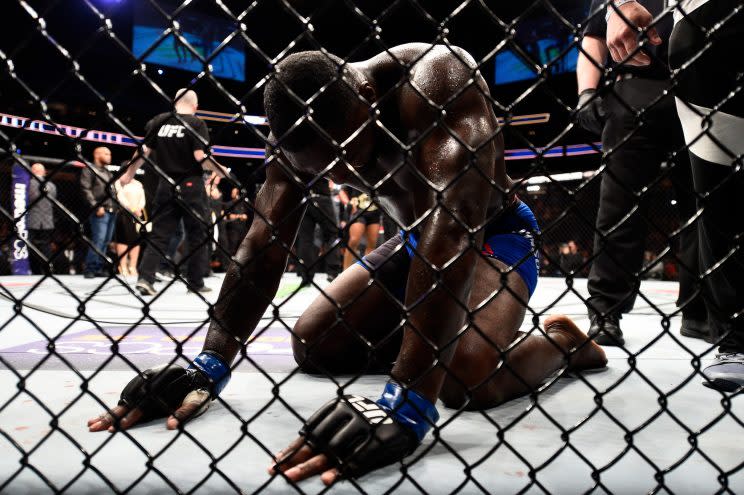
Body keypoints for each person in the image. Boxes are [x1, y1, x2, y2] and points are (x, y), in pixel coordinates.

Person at [88, 46, 608, 484]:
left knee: (465, 381)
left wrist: (407, 398)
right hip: (411, 241)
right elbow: (263, 244)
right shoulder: (294, 133)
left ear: (364, 96)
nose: (339, 172)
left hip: (490, 237)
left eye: (343, 153)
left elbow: (454, 229)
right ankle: (430, 339)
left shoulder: (436, 80)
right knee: (314, 343)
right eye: (323, 167)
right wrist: (211, 361)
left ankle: (563, 343)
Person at [602, 0, 743, 389]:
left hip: (697, 45)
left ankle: (718, 325)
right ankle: (736, 337)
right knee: (717, 195)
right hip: (698, 37)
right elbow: (601, 33)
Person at [575, 0, 707, 346]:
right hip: (635, 88)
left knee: (704, 202)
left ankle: (700, 309)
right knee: (619, 204)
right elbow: (594, 37)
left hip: (698, 88)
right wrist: (586, 92)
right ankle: (605, 310)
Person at [119, 88, 231, 296]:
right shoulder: (196, 123)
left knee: (160, 234)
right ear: (195, 107)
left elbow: (142, 151)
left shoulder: (159, 121)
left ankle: (145, 278)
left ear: (174, 101)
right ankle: (195, 283)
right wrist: (220, 170)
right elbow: (200, 156)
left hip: (165, 184)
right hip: (191, 185)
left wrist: (127, 175)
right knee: (197, 234)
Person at [294, 179, 342, 285]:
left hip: (304, 198)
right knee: (332, 234)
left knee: (305, 239)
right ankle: (332, 272)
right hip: (321, 196)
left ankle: (306, 275)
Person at [80, 147, 116, 278]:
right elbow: (86, 189)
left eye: (110, 153)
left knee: (106, 241)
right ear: (97, 155)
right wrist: (96, 206)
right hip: (100, 209)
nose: (109, 156)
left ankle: (99, 267)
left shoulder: (107, 172)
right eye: (106, 153)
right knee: (98, 239)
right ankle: (90, 268)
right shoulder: (89, 169)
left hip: (111, 209)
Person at [341, 186, 382, 270]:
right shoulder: (354, 174)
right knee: (354, 240)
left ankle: (366, 272)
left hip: (375, 210)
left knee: (372, 243)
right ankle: (345, 271)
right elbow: (342, 190)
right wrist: (349, 203)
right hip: (358, 210)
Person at [27, 163, 57, 274]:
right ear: (44, 172)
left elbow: (29, 200)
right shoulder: (52, 186)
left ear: (32, 171)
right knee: (46, 245)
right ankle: (47, 269)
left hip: (32, 220)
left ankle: (34, 270)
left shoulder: (29, 184)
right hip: (47, 220)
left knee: (31, 246)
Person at [112, 179, 146, 277]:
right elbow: (120, 197)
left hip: (137, 215)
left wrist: (139, 208)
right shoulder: (119, 182)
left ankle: (132, 266)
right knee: (123, 240)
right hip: (123, 213)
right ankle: (122, 266)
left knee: (136, 240)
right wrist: (131, 208)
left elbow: (142, 198)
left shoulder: (138, 183)